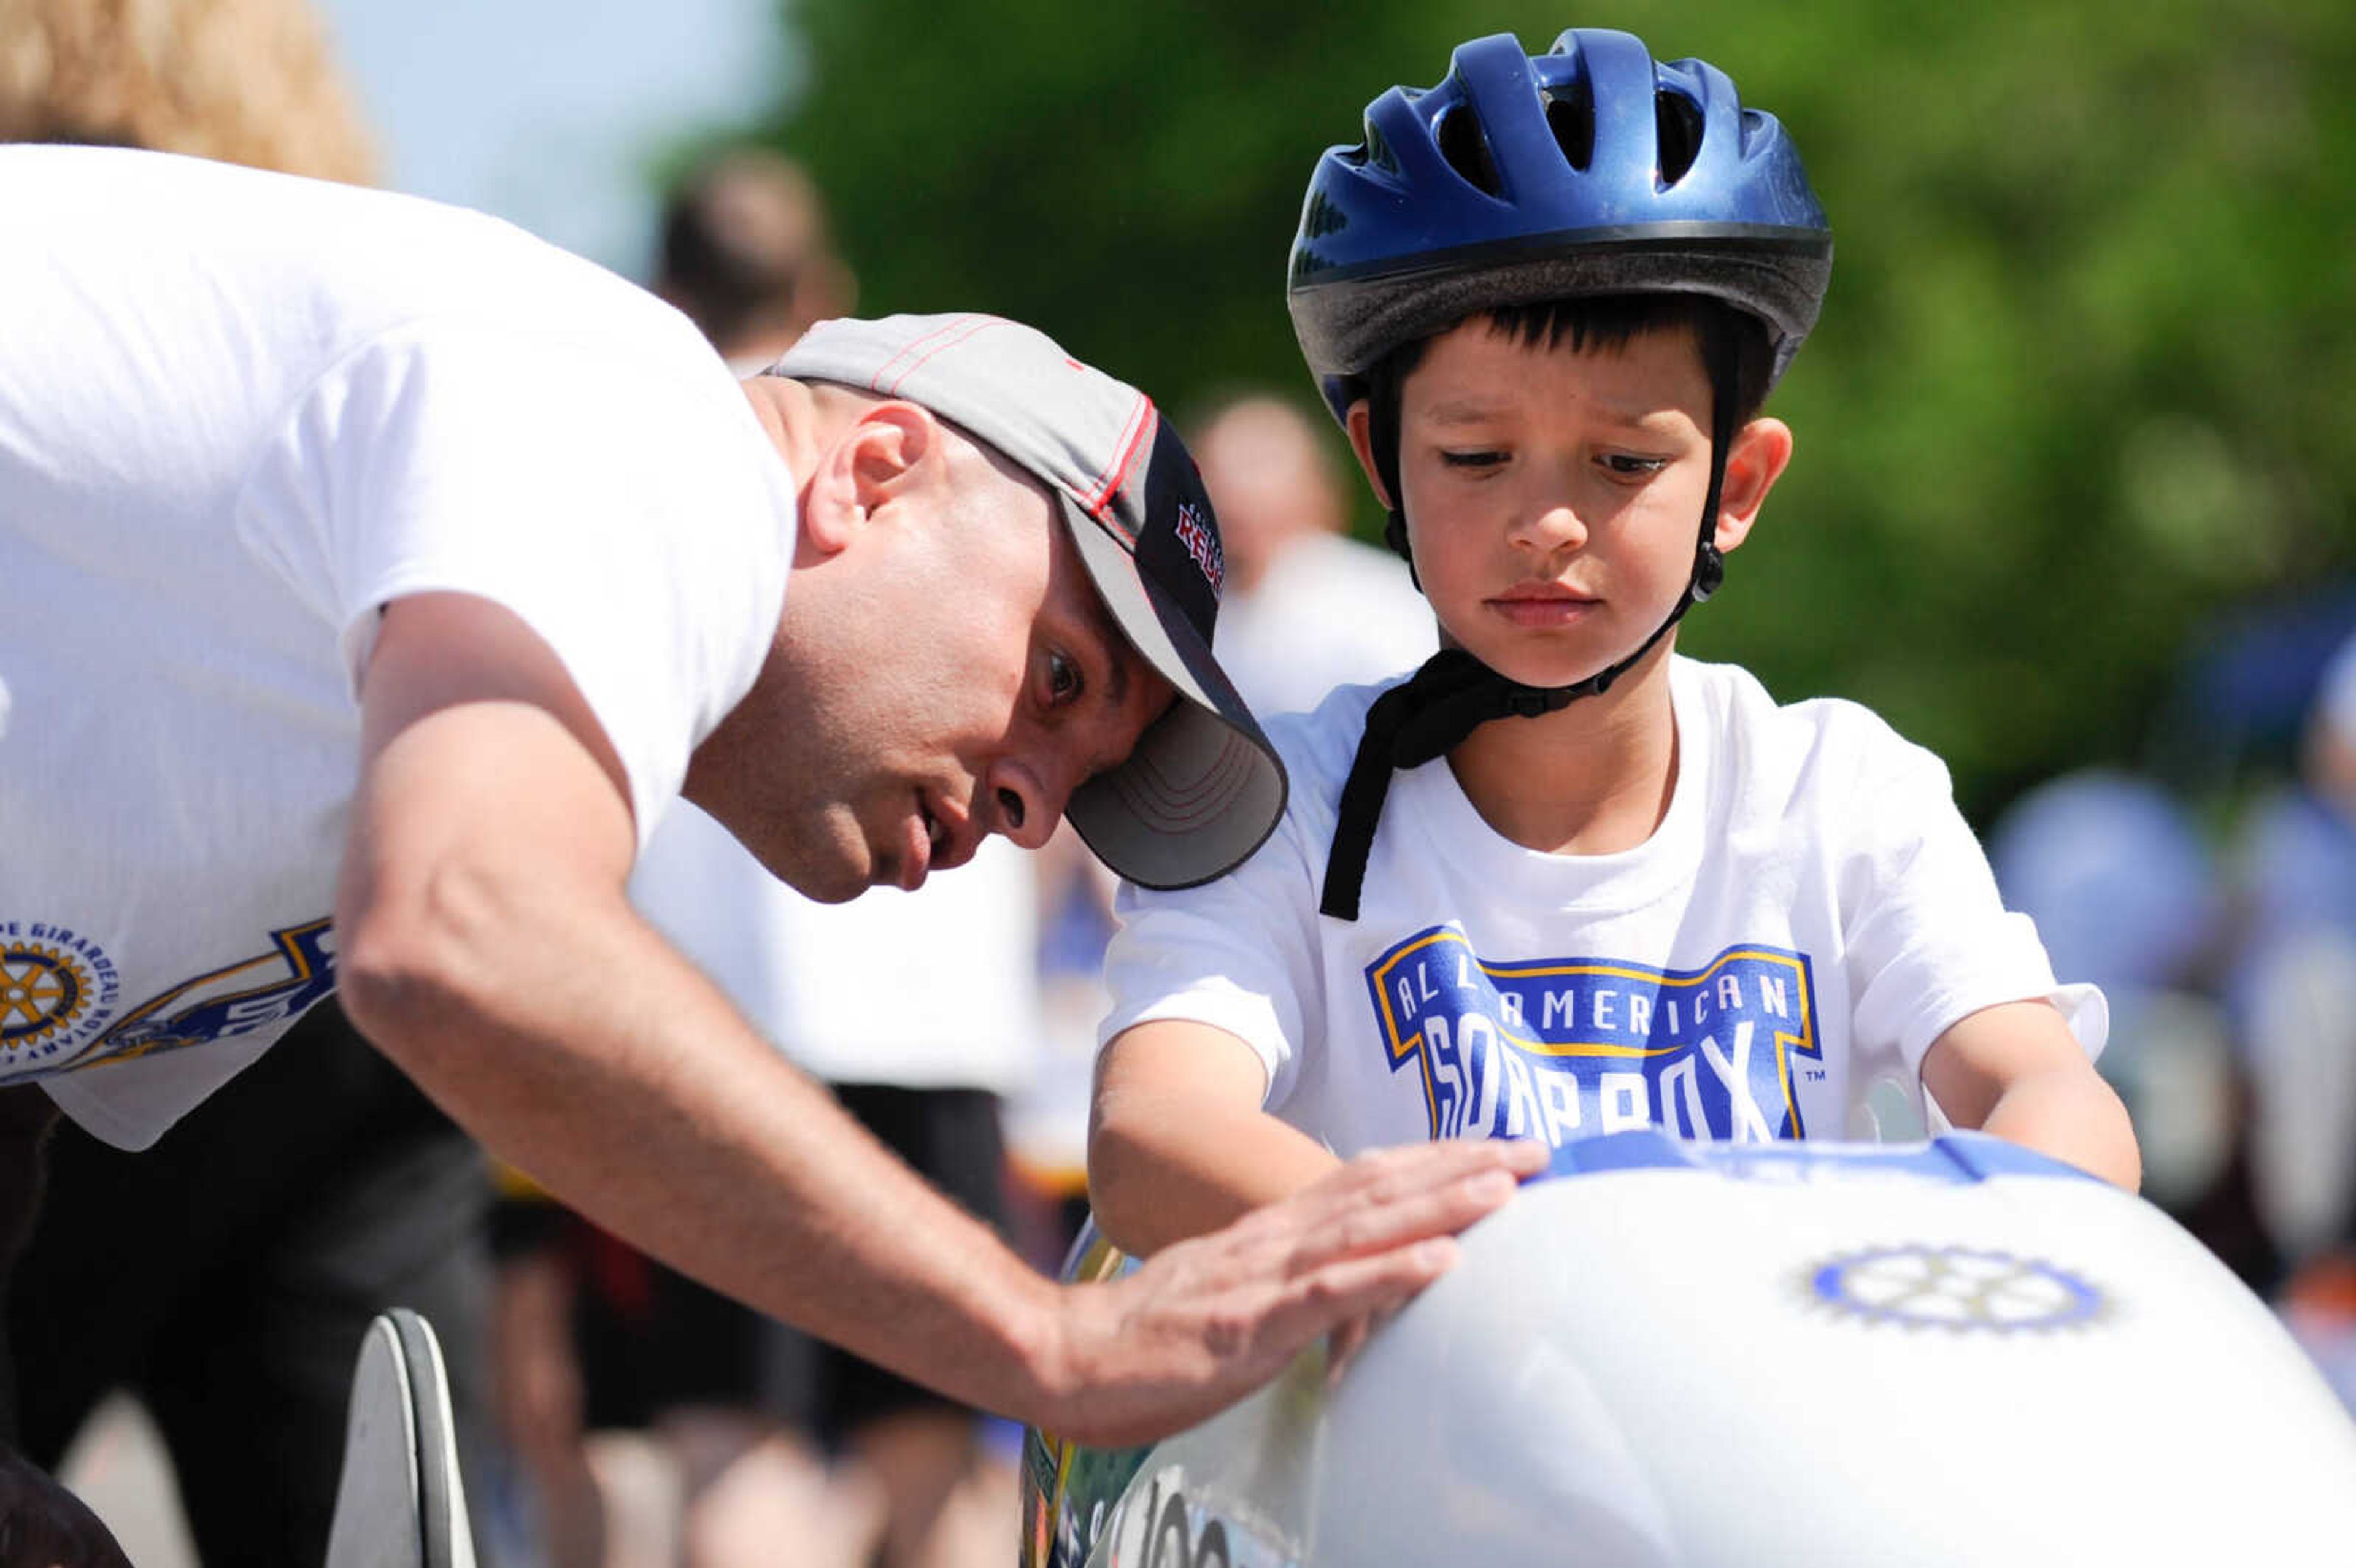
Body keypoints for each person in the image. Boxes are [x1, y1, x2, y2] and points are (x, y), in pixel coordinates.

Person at [0, 145, 1543, 1562]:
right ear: (871, 473)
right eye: (1061, 677)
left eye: (1080, 777)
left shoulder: (404, 646)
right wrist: (1047, 1342)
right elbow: (466, 933)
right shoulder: (633, 418)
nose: (1032, 806)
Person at [1084, 27, 2138, 1260]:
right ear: (1381, 465)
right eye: (1474, 459)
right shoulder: (1279, 808)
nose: (1546, 526)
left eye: (1627, 462)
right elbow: (1153, 1133)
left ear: (1738, 482)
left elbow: (2053, 1097)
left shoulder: (1840, 798)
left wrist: (1990, 1233)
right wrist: (1511, 1260)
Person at [0, 7, 504, 1566]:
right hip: (328, 944)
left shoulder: (59, 246)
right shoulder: (323, 213)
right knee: (361, 1508)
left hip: (95, 934)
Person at [1190, 392, 1434, 720]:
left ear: (1323, 496)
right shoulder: (1199, 618)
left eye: (1262, 466)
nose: (1237, 500)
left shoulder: (1387, 614)